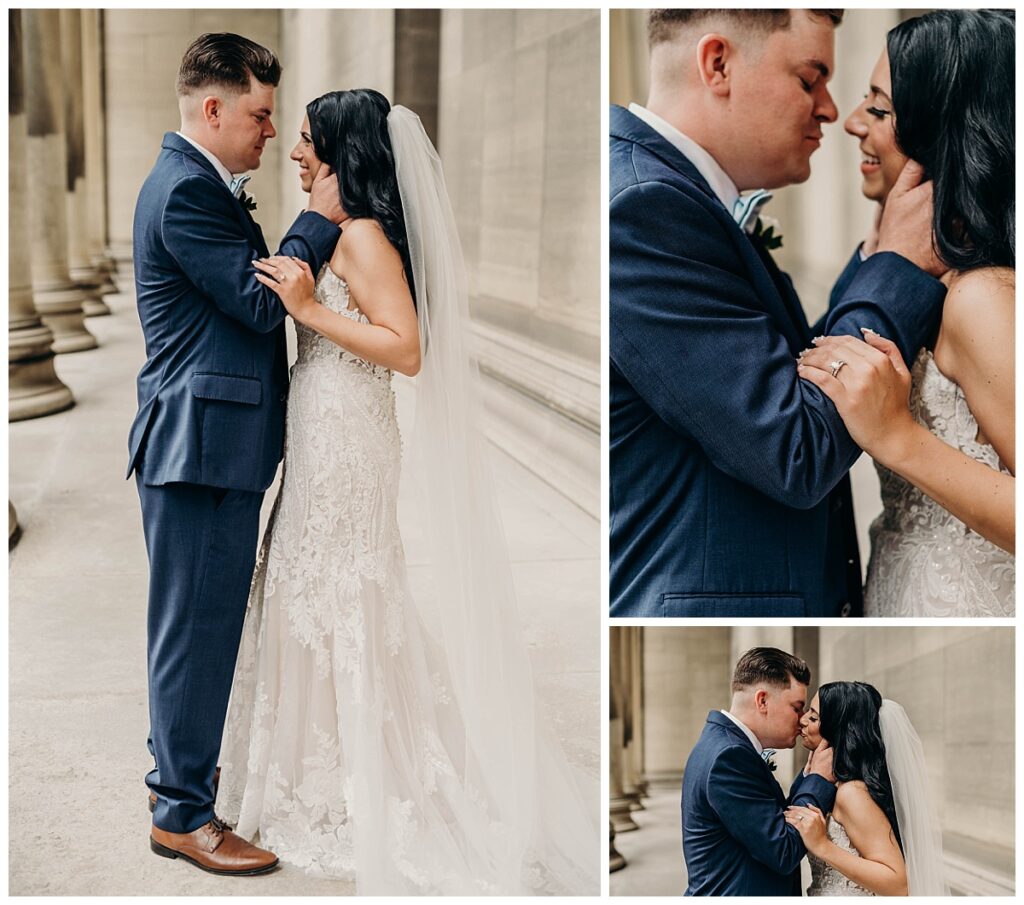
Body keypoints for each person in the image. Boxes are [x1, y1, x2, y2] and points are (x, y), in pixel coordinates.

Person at [216, 89, 598, 894]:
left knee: (342, 588)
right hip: (327, 421)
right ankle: (307, 760)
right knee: (308, 583)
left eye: (309, 139)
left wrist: (311, 310)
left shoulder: (362, 238)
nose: (295, 150)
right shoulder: (349, 230)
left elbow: (408, 349)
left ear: (341, 151)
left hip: (350, 430)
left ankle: (353, 775)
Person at [609, 9, 948, 617]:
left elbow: (790, 374)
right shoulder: (643, 209)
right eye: (809, 77)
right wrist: (897, 267)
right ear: (718, 64)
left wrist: (874, 257)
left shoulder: (668, 192)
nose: (829, 108)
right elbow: (794, 446)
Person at [128, 33, 344, 874]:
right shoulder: (185, 191)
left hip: (206, 445)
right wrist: (319, 223)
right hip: (201, 449)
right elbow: (261, 309)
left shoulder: (200, 182)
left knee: (190, 628)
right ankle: (183, 815)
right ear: (211, 108)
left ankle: (171, 776)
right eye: (258, 114)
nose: (270, 132)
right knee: (199, 632)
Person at [797, 10, 1015, 615]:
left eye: (880, 107)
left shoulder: (984, 298)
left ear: (942, 134)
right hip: (897, 587)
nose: (850, 121)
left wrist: (899, 437)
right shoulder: (926, 281)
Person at [681, 647, 837, 896]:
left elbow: (772, 818)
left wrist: (808, 775)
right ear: (762, 700)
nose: (801, 719)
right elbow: (783, 850)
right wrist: (818, 781)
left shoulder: (722, 743)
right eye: (796, 707)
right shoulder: (729, 757)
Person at [786, 682, 946, 895]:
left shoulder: (851, 793)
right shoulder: (831, 784)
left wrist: (824, 846)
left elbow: (899, 884)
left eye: (813, 717)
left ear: (837, 730)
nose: (802, 720)